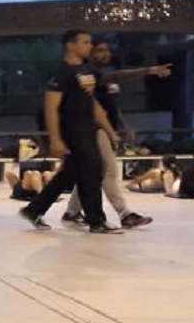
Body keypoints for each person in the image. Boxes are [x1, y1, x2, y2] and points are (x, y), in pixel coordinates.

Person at [18, 29, 123, 234]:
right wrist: (56, 139)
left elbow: (93, 105)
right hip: (72, 131)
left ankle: (34, 209)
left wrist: (110, 131)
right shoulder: (61, 74)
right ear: (70, 45)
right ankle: (96, 221)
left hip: (88, 129)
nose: (89, 46)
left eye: (90, 42)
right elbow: (51, 108)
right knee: (92, 171)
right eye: (85, 42)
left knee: (70, 173)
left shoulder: (87, 72)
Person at [58, 40, 171, 229]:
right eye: (100, 50)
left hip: (104, 129)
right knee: (109, 171)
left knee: (94, 172)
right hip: (93, 129)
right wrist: (148, 70)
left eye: (107, 50)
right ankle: (125, 214)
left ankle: (72, 212)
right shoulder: (87, 74)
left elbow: (112, 108)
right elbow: (117, 77)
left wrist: (124, 125)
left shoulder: (102, 76)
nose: (106, 53)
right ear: (89, 53)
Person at [128, 157, 194, 199]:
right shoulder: (168, 173)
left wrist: (129, 185)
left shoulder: (160, 172)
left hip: (181, 188)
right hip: (183, 187)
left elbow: (138, 179)